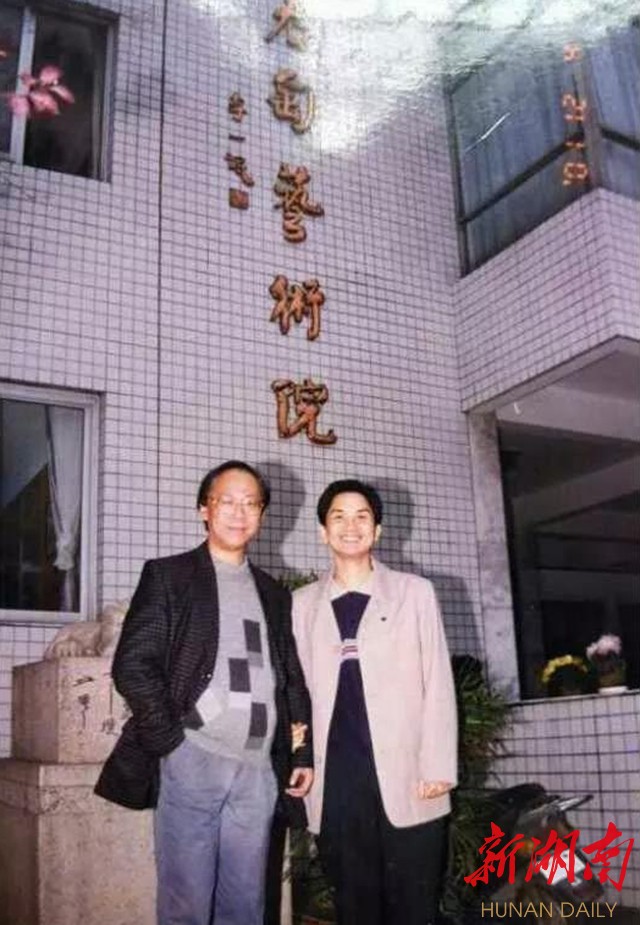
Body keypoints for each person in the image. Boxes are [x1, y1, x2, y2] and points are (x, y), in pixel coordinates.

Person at [95, 460, 313, 925]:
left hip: (258, 771)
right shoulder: (170, 576)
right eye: (226, 501)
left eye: (250, 503)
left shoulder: (274, 593)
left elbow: (289, 678)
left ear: (262, 514)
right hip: (194, 758)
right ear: (204, 509)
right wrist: (172, 743)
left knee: (247, 905)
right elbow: (133, 664)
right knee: (187, 906)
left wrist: (302, 753)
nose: (239, 512)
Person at [292, 479, 457, 925]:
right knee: (354, 908)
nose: (351, 526)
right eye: (338, 517)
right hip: (336, 781)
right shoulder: (300, 605)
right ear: (323, 532)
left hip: (410, 776)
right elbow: (294, 691)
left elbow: (438, 681)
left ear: (378, 530)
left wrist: (438, 765)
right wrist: (296, 758)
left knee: (414, 909)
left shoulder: (414, 592)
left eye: (362, 516)